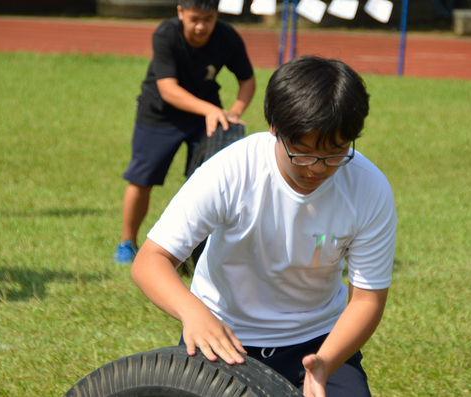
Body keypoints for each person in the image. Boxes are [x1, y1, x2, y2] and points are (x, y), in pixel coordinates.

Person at [132, 55, 397, 397]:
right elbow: (151, 259)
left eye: (334, 153)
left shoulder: (369, 187)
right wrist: (193, 313)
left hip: (319, 341)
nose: (316, 169)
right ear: (274, 128)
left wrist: (326, 362)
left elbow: (366, 300)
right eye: (302, 152)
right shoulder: (230, 171)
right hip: (223, 336)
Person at [114, 0, 256, 264]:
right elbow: (168, 89)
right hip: (159, 114)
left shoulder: (227, 37)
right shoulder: (166, 34)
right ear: (180, 12)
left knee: (211, 183)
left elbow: (247, 79)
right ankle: (127, 243)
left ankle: (201, 253)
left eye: (209, 18)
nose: (201, 26)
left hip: (205, 118)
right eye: (194, 19)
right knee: (141, 179)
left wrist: (234, 112)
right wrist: (210, 110)